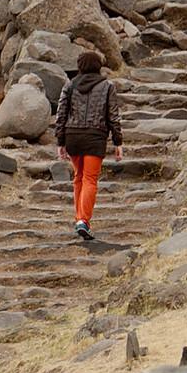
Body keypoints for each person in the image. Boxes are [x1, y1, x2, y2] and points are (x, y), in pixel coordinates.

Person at [55, 51, 123, 241]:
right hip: (95, 137)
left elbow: (61, 114)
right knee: (90, 179)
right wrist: (118, 142)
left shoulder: (70, 85)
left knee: (78, 177)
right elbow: (113, 116)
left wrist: (60, 141)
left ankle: (79, 218)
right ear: (98, 66)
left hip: (73, 136)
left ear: (80, 66)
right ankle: (83, 221)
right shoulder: (107, 86)